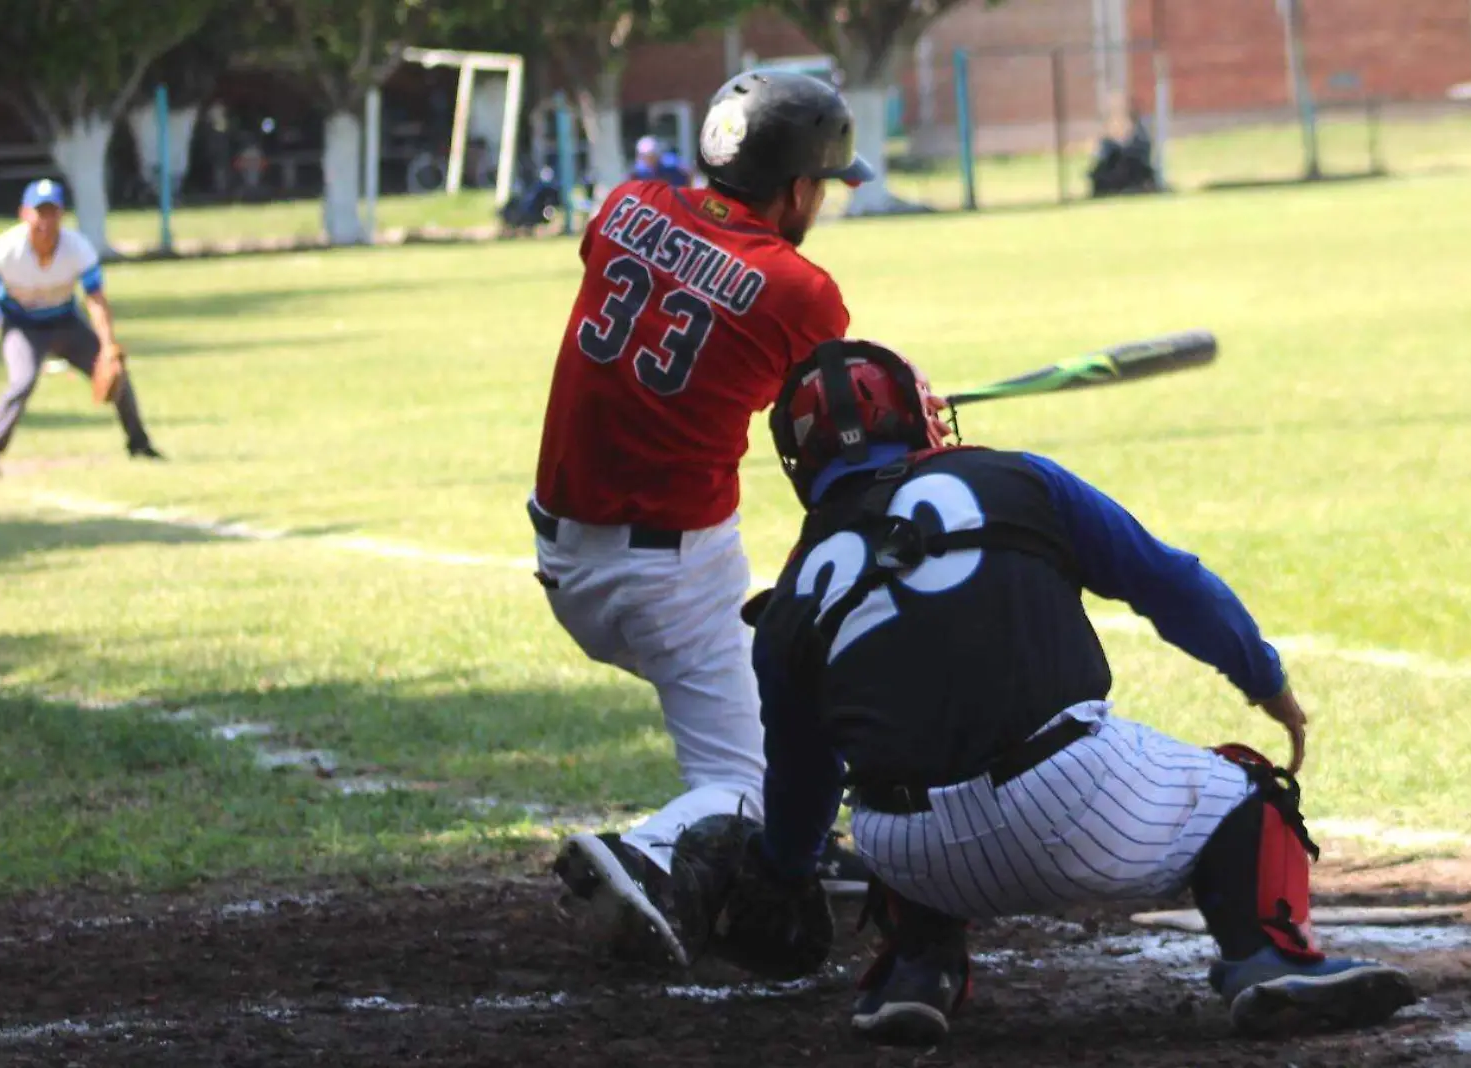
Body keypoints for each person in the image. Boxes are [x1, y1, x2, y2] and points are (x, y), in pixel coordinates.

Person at [681, 340, 1417, 1045]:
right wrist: (1264, 679)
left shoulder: (791, 593)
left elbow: (803, 777)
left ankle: (916, 971)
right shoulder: (1017, 478)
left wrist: (782, 870)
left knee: (880, 788)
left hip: (909, 854)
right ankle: (1270, 957)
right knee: (1250, 794)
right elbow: (1169, 582)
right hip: (1076, 803)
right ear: (917, 417)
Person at [534, 69, 876, 966]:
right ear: (796, 187)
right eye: (824, 188)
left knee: (757, 725)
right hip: (669, 576)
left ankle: (791, 857)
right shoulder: (798, 288)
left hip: (566, 556)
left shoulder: (624, 206)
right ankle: (642, 856)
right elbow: (834, 422)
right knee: (759, 782)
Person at [0, 179, 162, 479]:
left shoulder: (77, 248)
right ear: (24, 214)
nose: (45, 222)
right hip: (21, 325)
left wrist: (107, 345)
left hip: (65, 321)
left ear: (61, 215)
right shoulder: (4, 250)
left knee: (116, 372)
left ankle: (139, 445)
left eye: (52, 212)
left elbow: (95, 299)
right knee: (22, 382)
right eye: (39, 212)